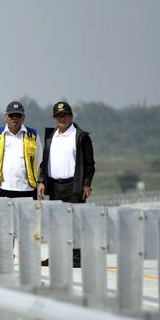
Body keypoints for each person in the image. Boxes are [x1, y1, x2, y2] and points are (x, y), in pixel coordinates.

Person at [37, 101, 95, 267]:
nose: (61, 118)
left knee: (75, 223)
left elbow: (89, 164)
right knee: (55, 223)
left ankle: (76, 259)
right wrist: (42, 181)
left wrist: (87, 184)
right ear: (54, 118)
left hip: (73, 186)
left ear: (71, 116)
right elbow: (44, 162)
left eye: (65, 115)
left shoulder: (80, 136)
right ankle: (56, 256)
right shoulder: (51, 136)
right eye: (58, 116)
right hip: (55, 185)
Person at [0, 101, 42, 199]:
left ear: (23, 117)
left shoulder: (32, 135)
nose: (14, 119)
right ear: (6, 117)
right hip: (3, 188)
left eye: (18, 116)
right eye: (11, 116)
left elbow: (38, 160)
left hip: (27, 189)